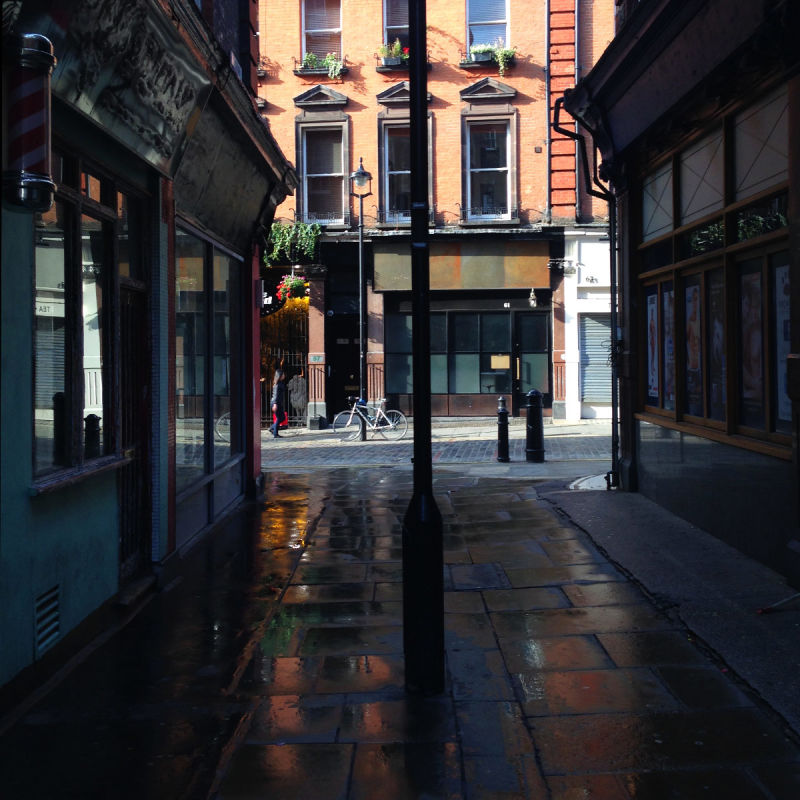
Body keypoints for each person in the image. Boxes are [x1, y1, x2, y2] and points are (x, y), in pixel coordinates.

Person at [269, 369, 286, 438]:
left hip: (278, 403)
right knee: (279, 418)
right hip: (276, 403)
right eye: (283, 374)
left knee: (282, 418)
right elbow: (275, 395)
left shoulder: (280, 383)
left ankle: (272, 428)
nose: (284, 375)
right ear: (280, 375)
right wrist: (275, 404)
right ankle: (275, 433)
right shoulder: (277, 385)